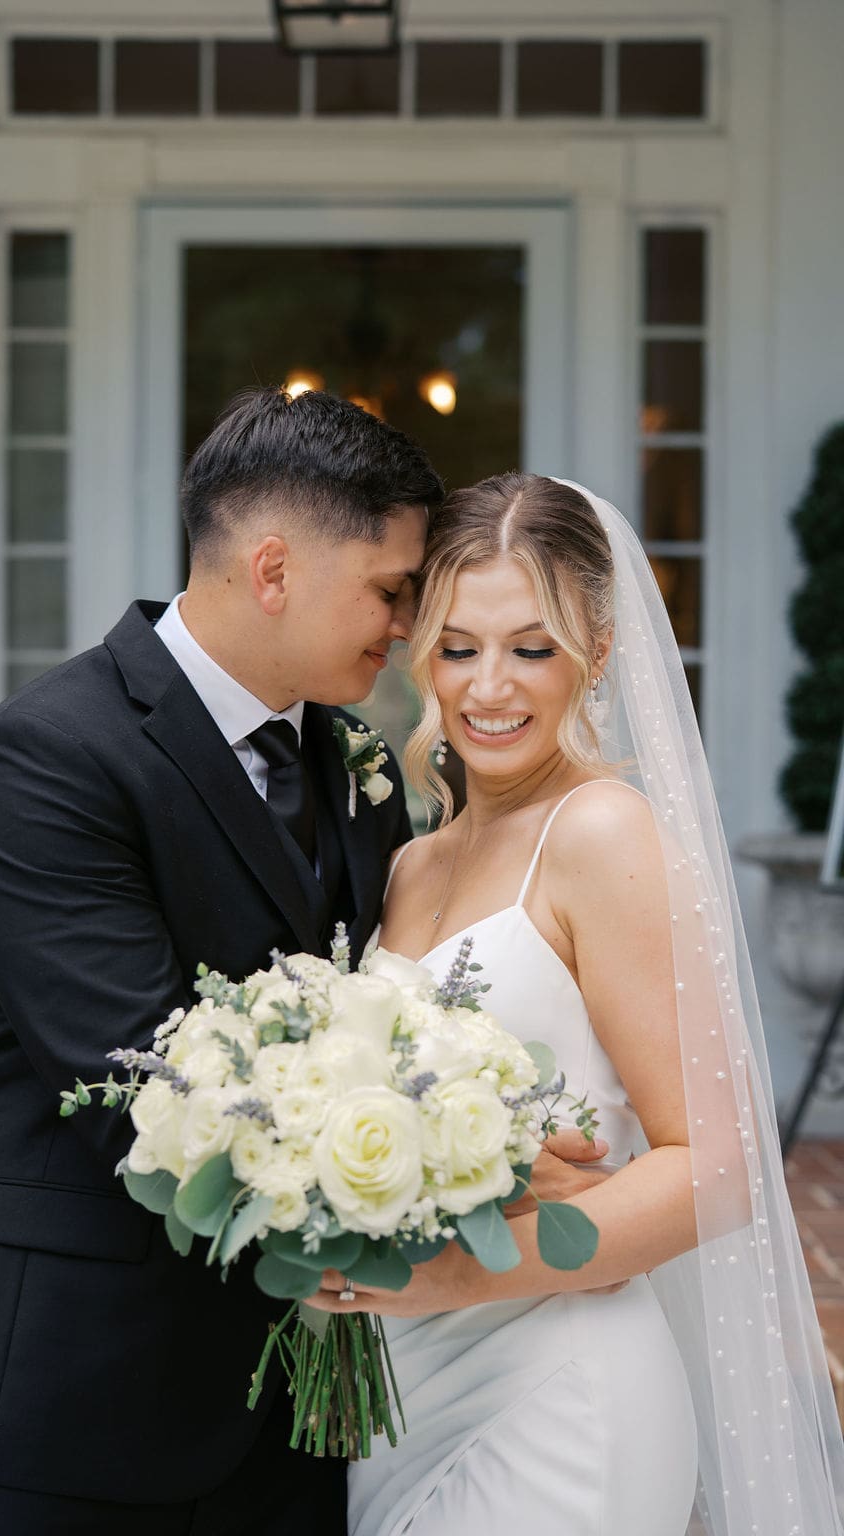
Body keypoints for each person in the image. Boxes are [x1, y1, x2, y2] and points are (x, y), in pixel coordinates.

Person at [0, 395, 606, 1536]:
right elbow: (146, 1081)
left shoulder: (355, 762)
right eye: (390, 590)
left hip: (288, 1417)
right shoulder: (46, 756)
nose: (408, 624)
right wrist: (474, 1168)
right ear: (273, 570)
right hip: (58, 1398)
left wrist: (484, 1128)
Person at [311, 473, 844, 1536]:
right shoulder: (411, 863)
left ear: (595, 654)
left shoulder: (599, 833)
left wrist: (460, 1274)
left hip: (559, 1394)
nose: (488, 687)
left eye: (531, 647)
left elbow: (720, 1167)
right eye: (458, 647)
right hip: (402, 1399)